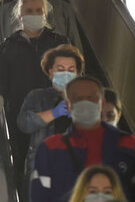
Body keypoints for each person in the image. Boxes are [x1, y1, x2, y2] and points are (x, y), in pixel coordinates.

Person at [0, 0, 68, 197]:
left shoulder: (59, 43)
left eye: (38, 11)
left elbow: (73, 75)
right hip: (20, 118)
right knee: (24, 166)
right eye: (29, 11)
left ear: (45, 14)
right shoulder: (8, 46)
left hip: (56, 118)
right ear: (19, 15)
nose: (34, 14)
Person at [31, 76, 135, 202]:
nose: (85, 102)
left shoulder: (130, 144)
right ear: (68, 106)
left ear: (101, 103)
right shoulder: (50, 148)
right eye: (77, 98)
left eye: (91, 97)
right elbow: (39, 196)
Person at [18, 44, 84, 175]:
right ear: (50, 72)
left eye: (71, 70)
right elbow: (23, 123)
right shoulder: (37, 96)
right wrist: (54, 113)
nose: (66, 74)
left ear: (77, 74)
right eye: (60, 69)